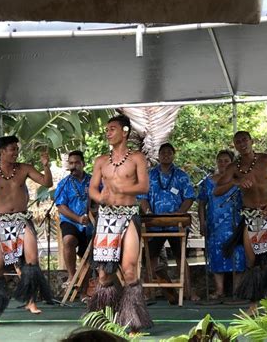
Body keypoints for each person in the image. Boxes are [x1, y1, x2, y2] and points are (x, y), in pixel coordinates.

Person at [0, 135, 53, 326]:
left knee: (32, 262)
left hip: (22, 220)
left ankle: (30, 302)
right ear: (2, 151)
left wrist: (46, 165)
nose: (16, 152)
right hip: (2, 223)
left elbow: (47, 183)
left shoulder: (24, 169)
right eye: (12, 149)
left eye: (17, 148)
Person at [217, 131, 267, 313]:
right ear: (234, 146)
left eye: (245, 140)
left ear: (251, 141)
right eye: (238, 141)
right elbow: (218, 189)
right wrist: (237, 182)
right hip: (250, 217)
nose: (242, 143)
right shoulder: (234, 167)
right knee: (252, 261)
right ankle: (254, 303)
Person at [88, 114, 152, 332]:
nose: (108, 132)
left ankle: (134, 320)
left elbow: (144, 187)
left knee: (129, 269)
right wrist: (100, 198)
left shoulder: (137, 159)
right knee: (104, 274)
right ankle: (107, 317)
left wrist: (121, 190)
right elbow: (92, 189)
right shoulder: (100, 161)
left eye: (112, 128)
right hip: (106, 218)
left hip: (128, 215)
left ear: (125, 131)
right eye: (107, 129)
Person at [138, 142, 199, 301]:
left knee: (181, 257)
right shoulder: (149, 175)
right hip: (154, 223)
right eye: (162, 152)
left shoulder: (181, 175)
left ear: (173, 155)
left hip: (176, 223)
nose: (165, 155)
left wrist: (180, 213)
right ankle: (146, 293)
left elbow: (189, 197)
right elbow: (142, 198)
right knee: (150, 257)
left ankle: (187, 291)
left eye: (169, 152)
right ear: (158, 155)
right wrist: (149, 213)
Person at [198, 149, 245, 300]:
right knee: (215, 254)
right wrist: (202, 222)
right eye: (220, 160)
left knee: (238, 254)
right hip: (214, 225)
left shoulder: (239, 180)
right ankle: (219, 290)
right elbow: (201, 204)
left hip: (234, 223)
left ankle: (237, 290)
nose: (223, 163)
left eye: (226, 161)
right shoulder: (207, 182)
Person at [55, 150, 93, 294]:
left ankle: (83, 290)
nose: (74, 166)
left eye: (77, 162)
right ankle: (71, 275)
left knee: (89, 255)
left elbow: (102, 199)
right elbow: (60, 206)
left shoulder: (93, 180)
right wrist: (77, 219)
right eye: (71, 163)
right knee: (68, 240)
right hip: (71, 221)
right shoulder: (64, 184)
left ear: (83, 164)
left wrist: (91, 214)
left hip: (90, 223)